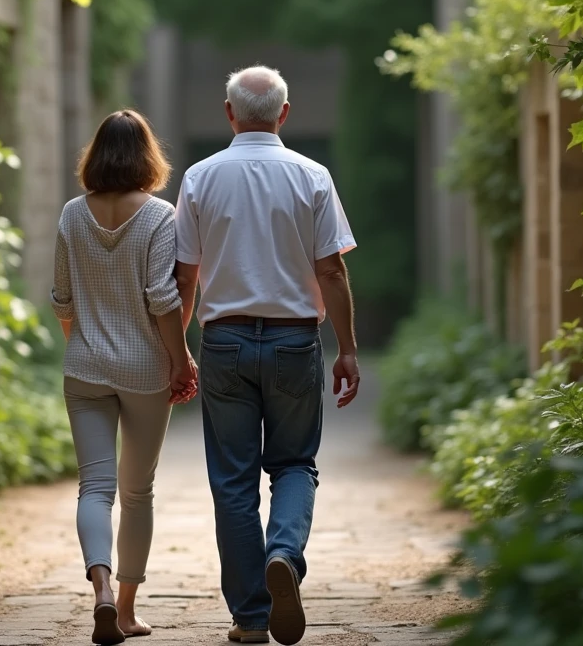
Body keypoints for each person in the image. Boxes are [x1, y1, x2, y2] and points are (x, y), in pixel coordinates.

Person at [173, 66, 360, 646]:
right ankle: (284, 552)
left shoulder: (200, 178)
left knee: (232, 482)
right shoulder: (313, 176)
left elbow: (185, 276)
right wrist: (347, 350)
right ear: (284, 113)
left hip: (224, 342)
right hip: (293, 341)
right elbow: (331, 268)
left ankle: (251, 617)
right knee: (295, 464)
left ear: (228, 114)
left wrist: (180, 349)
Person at [51, 110, 199, 646]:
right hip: (144, 371)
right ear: (146, 156)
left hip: (84, 369)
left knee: (94, 487)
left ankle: (102, 594)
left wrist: (83, 343)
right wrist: (180, 360)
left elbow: (62, 299)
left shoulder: (71, 214)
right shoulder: (160, 216)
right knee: (137, 492)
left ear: (95, 155)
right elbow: (164, 299)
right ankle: (129, 611)